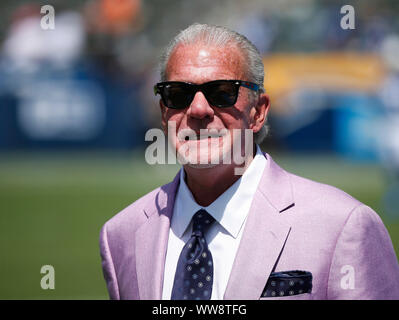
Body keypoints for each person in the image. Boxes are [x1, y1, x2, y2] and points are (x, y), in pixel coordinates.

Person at [99, 23, 399, 300]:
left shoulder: (343, 225)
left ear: (258, 112)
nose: (199, 109)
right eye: (179, 94)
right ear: (164, 114)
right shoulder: (122, 235)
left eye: (221, 92)